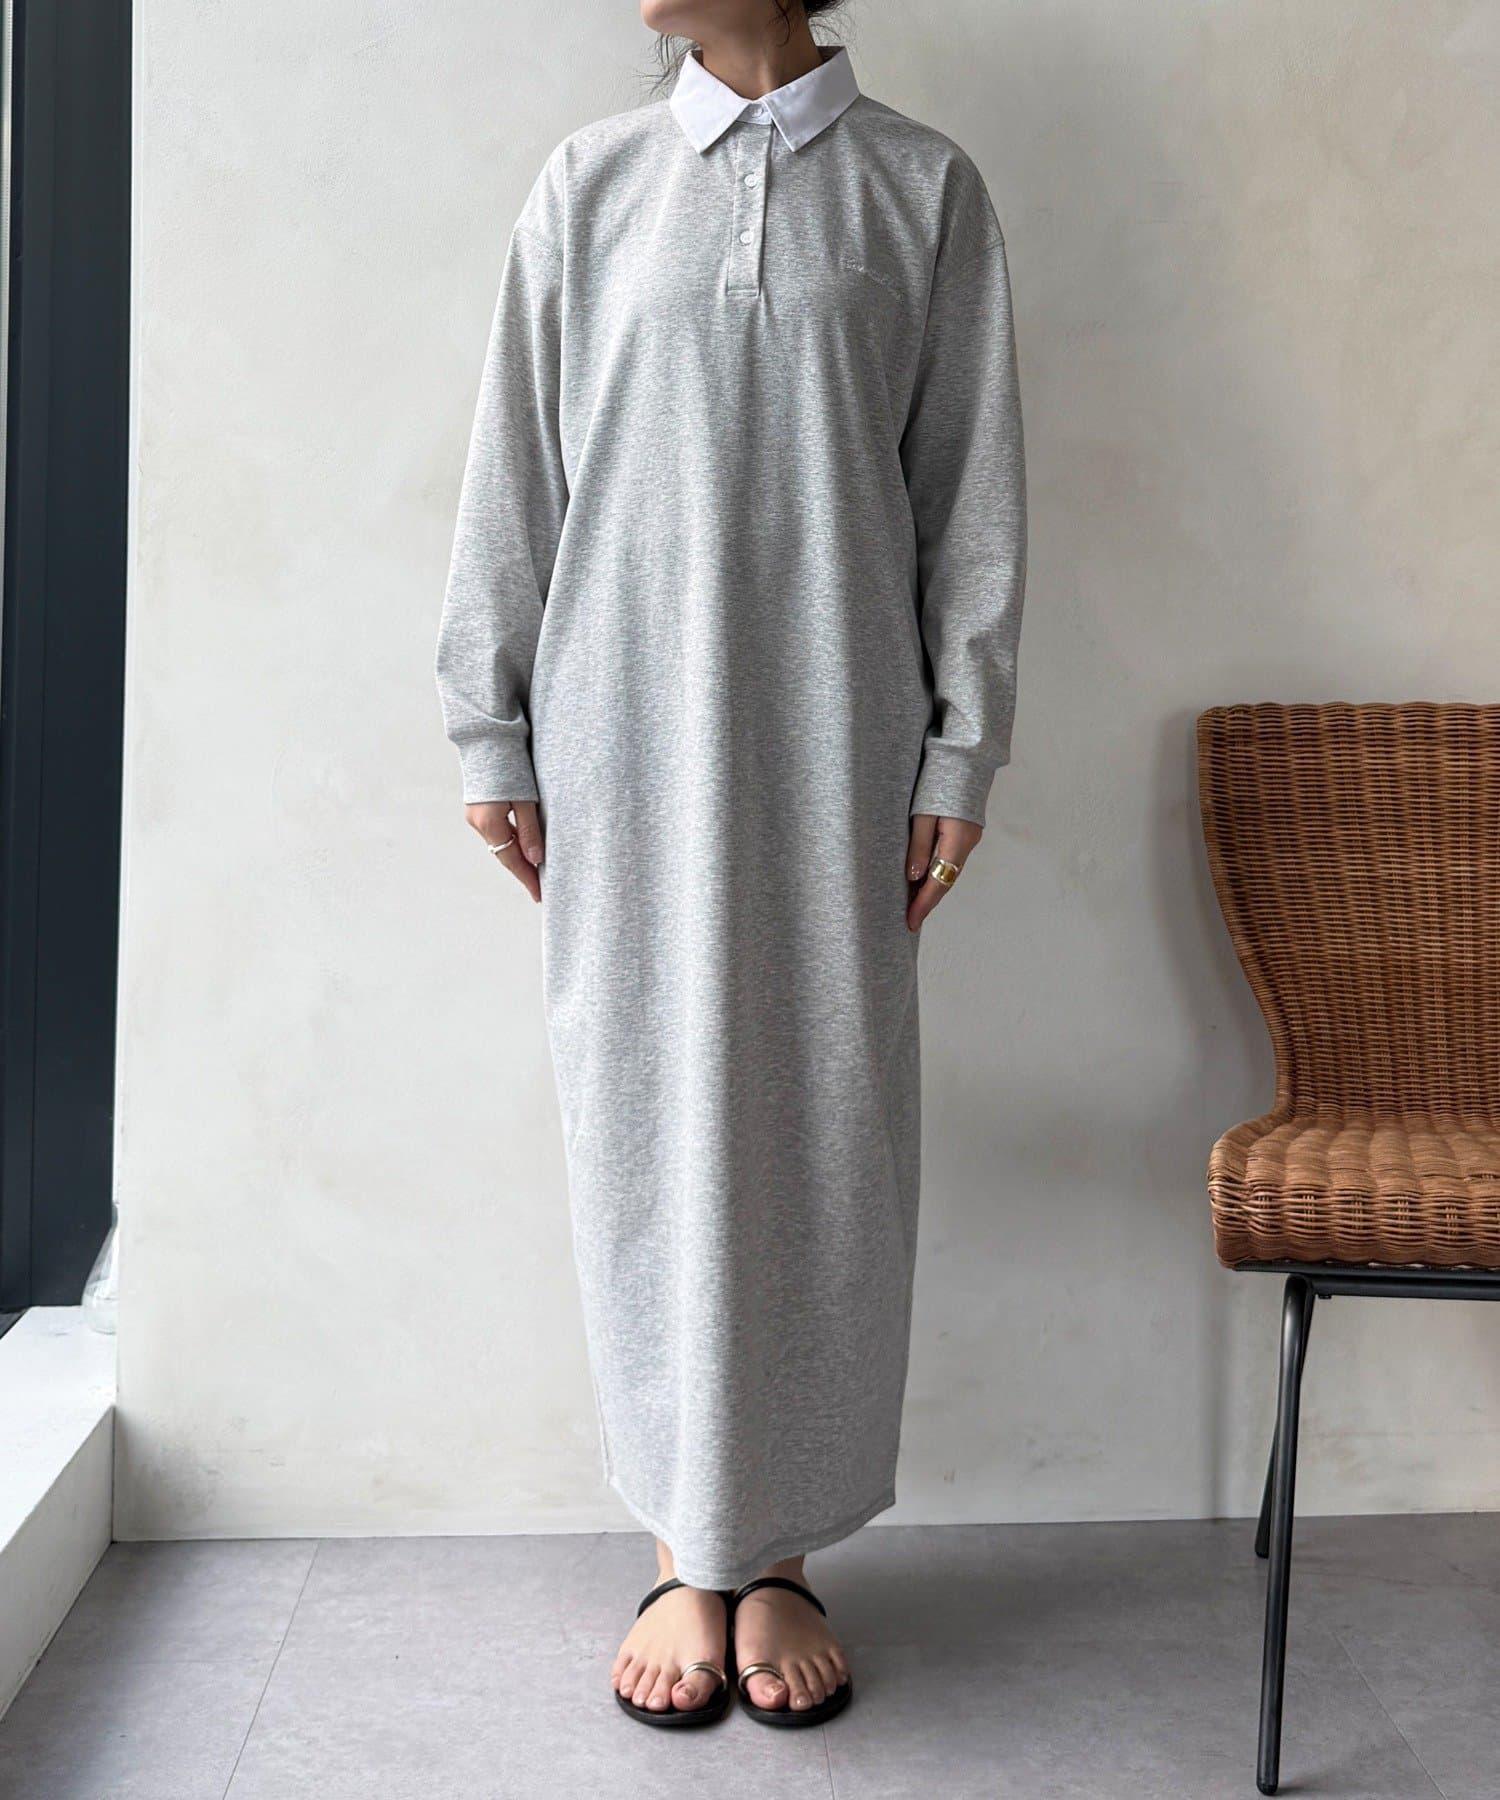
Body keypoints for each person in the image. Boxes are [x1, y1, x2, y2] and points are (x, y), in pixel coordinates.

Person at [435, 0, 1026, 1729]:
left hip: (839, 735)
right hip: (621, 737)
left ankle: (776, 1551)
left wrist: (961, 748)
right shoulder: (590, 183)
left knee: (822, 1124)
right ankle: (689, 1552)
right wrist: (489, 729)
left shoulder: (924, 190)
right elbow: (514, 475)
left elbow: (971, 494)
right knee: (647, 1121)